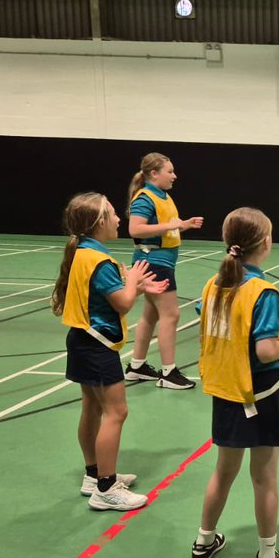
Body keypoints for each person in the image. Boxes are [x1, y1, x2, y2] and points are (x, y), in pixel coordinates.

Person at [191, 208, 279, 558]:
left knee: (223, 471)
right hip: (260, 395)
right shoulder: (262, 291)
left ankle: (204, 542)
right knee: (264, 476)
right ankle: (267, 556)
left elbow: (205, 315)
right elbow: (265, 351)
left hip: (225, 393)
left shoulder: (214, 284)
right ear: (265, 243)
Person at [51, 192, 167, 511]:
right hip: (97, 346)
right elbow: (123, 302)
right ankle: (106, 487)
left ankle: (93, 475)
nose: (119, 219)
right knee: (117, 412)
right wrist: (133, 284)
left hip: (82, 341)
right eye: (114, 214)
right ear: (99, 222)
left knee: (92, 408)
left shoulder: (85, 253)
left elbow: (108, 294)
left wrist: (136, 283)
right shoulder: (98, 260)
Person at [122, 152, 204, 389]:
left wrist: (183, 225)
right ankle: (168, 373)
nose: (174, 176)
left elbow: (164, 231)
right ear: (154, 174)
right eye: (169, 171)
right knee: (171, 315)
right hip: (154, 262)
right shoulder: (145, 198)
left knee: (151, 314)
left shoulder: (163, 197)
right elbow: (135, 229)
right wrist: (171, 224)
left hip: (161, 261)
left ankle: (136, 366)